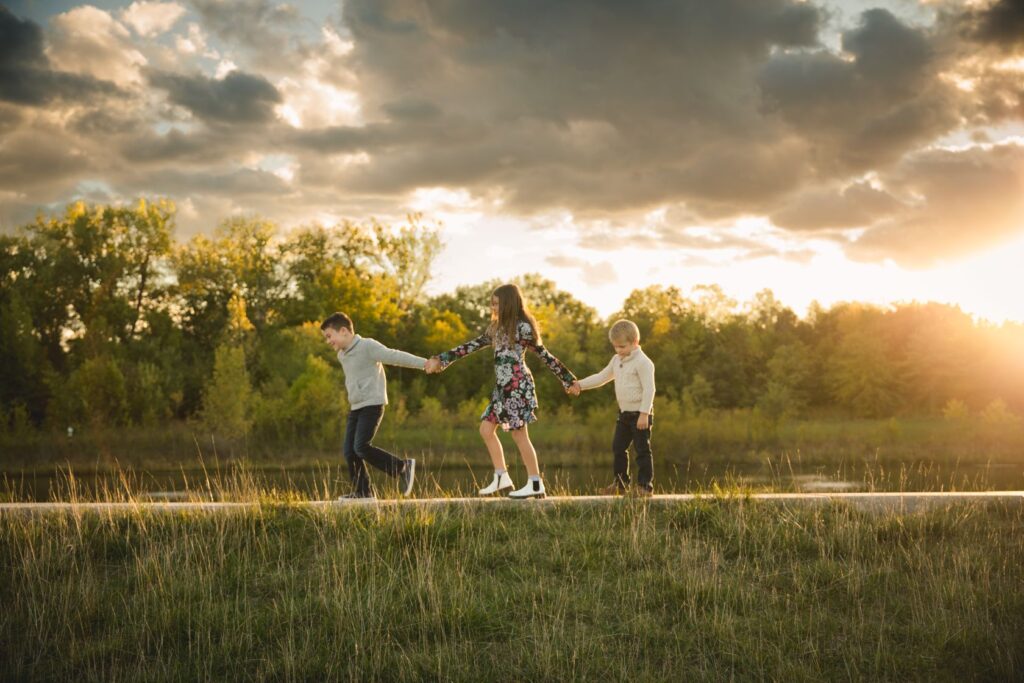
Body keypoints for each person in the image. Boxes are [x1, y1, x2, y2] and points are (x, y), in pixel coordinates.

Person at [425, 284, 576, 499]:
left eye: (496, 303)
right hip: (502, 389)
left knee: (519, 434)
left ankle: (535, 484)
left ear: (508, 303)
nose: (493, 307)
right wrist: (441, 359)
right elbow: (471, 346)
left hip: (518, 386)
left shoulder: (522, 328)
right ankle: (501, 477)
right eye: (492, 303)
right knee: (486, 430)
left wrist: (568, 379)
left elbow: (544, 355)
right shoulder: (496, 328)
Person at [321, 312, 425, 500]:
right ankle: (363, 492)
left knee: (361, 447)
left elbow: (394, 356)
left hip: (373, 404)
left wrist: (425, 364)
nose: (328, 341)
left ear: (343, 331)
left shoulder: (367, 346)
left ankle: (402, 467)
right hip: (356, 408)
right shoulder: (341, 355)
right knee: (349, 451)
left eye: (329, 336)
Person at [569, 319, 656, 496]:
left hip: (640, 414)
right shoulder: (617, 360)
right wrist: (579, 385)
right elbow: (602, 377)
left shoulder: (643, 362)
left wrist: (644, 414)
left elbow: (650, 389)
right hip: (624, 414)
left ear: (635, 342)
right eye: (615, 347)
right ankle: (620, 484)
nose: (618, 351)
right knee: (618, 448)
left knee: (642, 451)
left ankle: (644, 487)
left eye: (622, 347)